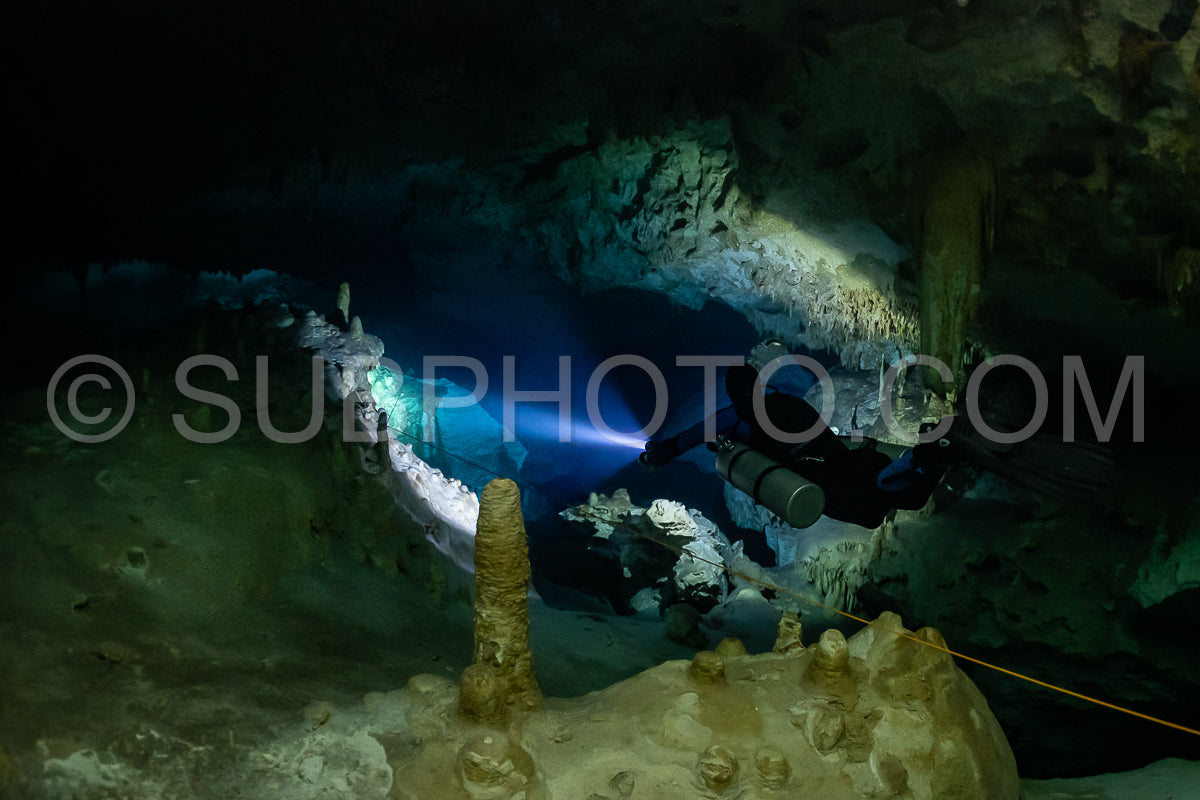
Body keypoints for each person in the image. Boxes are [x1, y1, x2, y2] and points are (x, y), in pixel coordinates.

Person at [639, 339, 1113, 529]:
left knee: (878, 490)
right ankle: (938, 451)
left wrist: (659, 454)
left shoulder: (729, 420)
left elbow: (681, 442)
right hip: (825, 460)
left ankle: (936, 452)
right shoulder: (762, 409)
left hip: (821, 467)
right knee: (878, 485)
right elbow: (815, 436)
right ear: (756, 384)